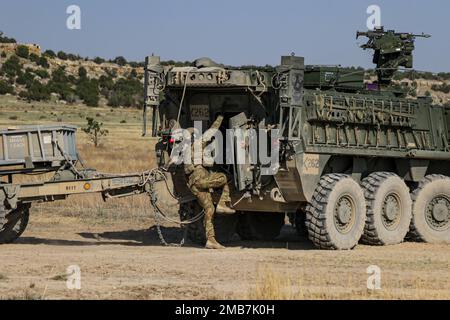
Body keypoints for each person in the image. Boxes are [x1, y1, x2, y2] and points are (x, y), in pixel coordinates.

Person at [184, 115, 235, 249]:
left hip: (194, 184)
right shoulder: (197, 144)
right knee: (225, 178)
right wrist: (220, 117)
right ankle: (223, 203)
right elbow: (211, 131)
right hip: (201, 180)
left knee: (209, 208)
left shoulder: (183, 151)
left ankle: (210, 240)